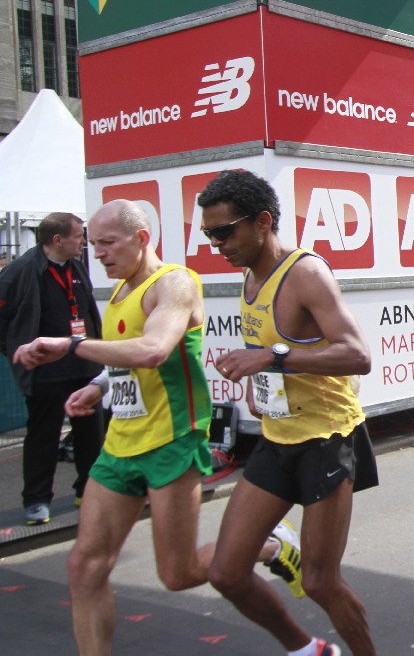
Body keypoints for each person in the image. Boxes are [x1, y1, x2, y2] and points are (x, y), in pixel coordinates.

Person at [12, 200, 303, 655]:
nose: (98, 254)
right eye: (94, 245)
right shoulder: (118, 291)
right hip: (121, 443)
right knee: (84, 567)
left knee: (178, 574)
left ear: (141, 238)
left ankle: (269, 544)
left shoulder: (174, 283)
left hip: (172, 439)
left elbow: (153, 349)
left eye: (108, 243)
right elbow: (126, 357)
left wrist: (71, 345)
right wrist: (98, 386)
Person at [198, 170, 376, 656]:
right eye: (209, 235)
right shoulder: (250, 275)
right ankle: (307, 650)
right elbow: (275, 350)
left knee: (320, 581)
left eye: (224, 232)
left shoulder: (305, 273)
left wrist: (272, 359)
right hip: (277, 438)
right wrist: (261, 385)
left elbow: (357, 354)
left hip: (326, 438)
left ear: (262, 222)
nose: (217, 245)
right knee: (226, 573)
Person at [0, 213, 105, 526]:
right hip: (46, 373)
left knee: (91, 435)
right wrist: (17, 352)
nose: (83, 242)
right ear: (57, 240)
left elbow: (86, 311)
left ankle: (88, 489)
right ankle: (36, 501)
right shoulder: (19, 272)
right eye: (78, 236)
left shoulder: (77, 266)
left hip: (85, 366)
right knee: (43, 437)